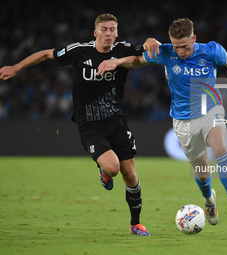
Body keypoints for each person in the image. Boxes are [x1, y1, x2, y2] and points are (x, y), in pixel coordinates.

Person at [0, 13, 161, 236]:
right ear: (95, 32)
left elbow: (149, 53)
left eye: (112, 29)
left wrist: (153, 40)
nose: (108, 33)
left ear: (117, 32)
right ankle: (104, 172)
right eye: (104, 29)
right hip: (90, 124)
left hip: (116, 120)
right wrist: (16, 67)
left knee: (130, 175)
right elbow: (47, 54)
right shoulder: (79, 51)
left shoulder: (123, 49)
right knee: (113, 168)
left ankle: (136, 223)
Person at [97, 18, 227, 227]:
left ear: (194, 38)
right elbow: (138, 60)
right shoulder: (167, 52)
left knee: (221, 149)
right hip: (182, 120)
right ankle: (209, 201)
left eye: (185, 46)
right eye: (176, 46)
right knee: (203, 173)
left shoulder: (212, 50)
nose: (180, 51)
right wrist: (117, 62)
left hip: (210, 109)